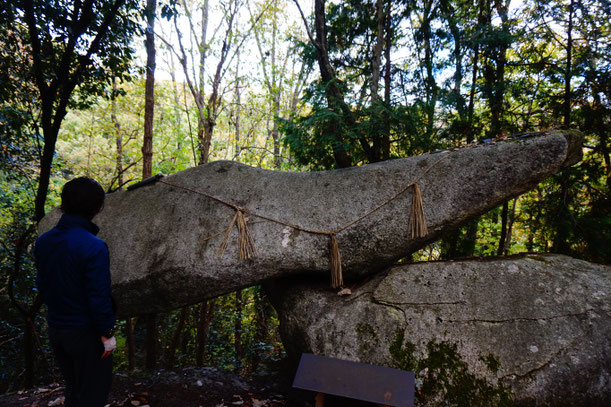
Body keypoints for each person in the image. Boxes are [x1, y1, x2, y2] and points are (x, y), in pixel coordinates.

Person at [35, 177, 116, 407]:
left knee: (73, 391)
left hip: (57, 330)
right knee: (92, 395)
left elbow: (43, 286)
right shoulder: (94, 246)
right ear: (96, 207)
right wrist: (107, 333)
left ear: (64, 203)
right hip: (86, 335)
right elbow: (99, 296)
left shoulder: (43, 242)